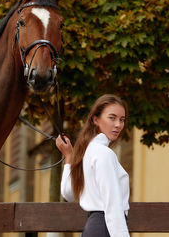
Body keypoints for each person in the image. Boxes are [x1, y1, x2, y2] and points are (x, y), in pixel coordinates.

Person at [55, 94, 130, 237]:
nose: (118, 124)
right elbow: (112, 205)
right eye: (112, 118)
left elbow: (68, 193)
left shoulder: (87, 152)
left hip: (93, 229)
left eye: (122, 120)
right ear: (96, 119)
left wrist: (69, 158)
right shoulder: (103, 154)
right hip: (105, 229)